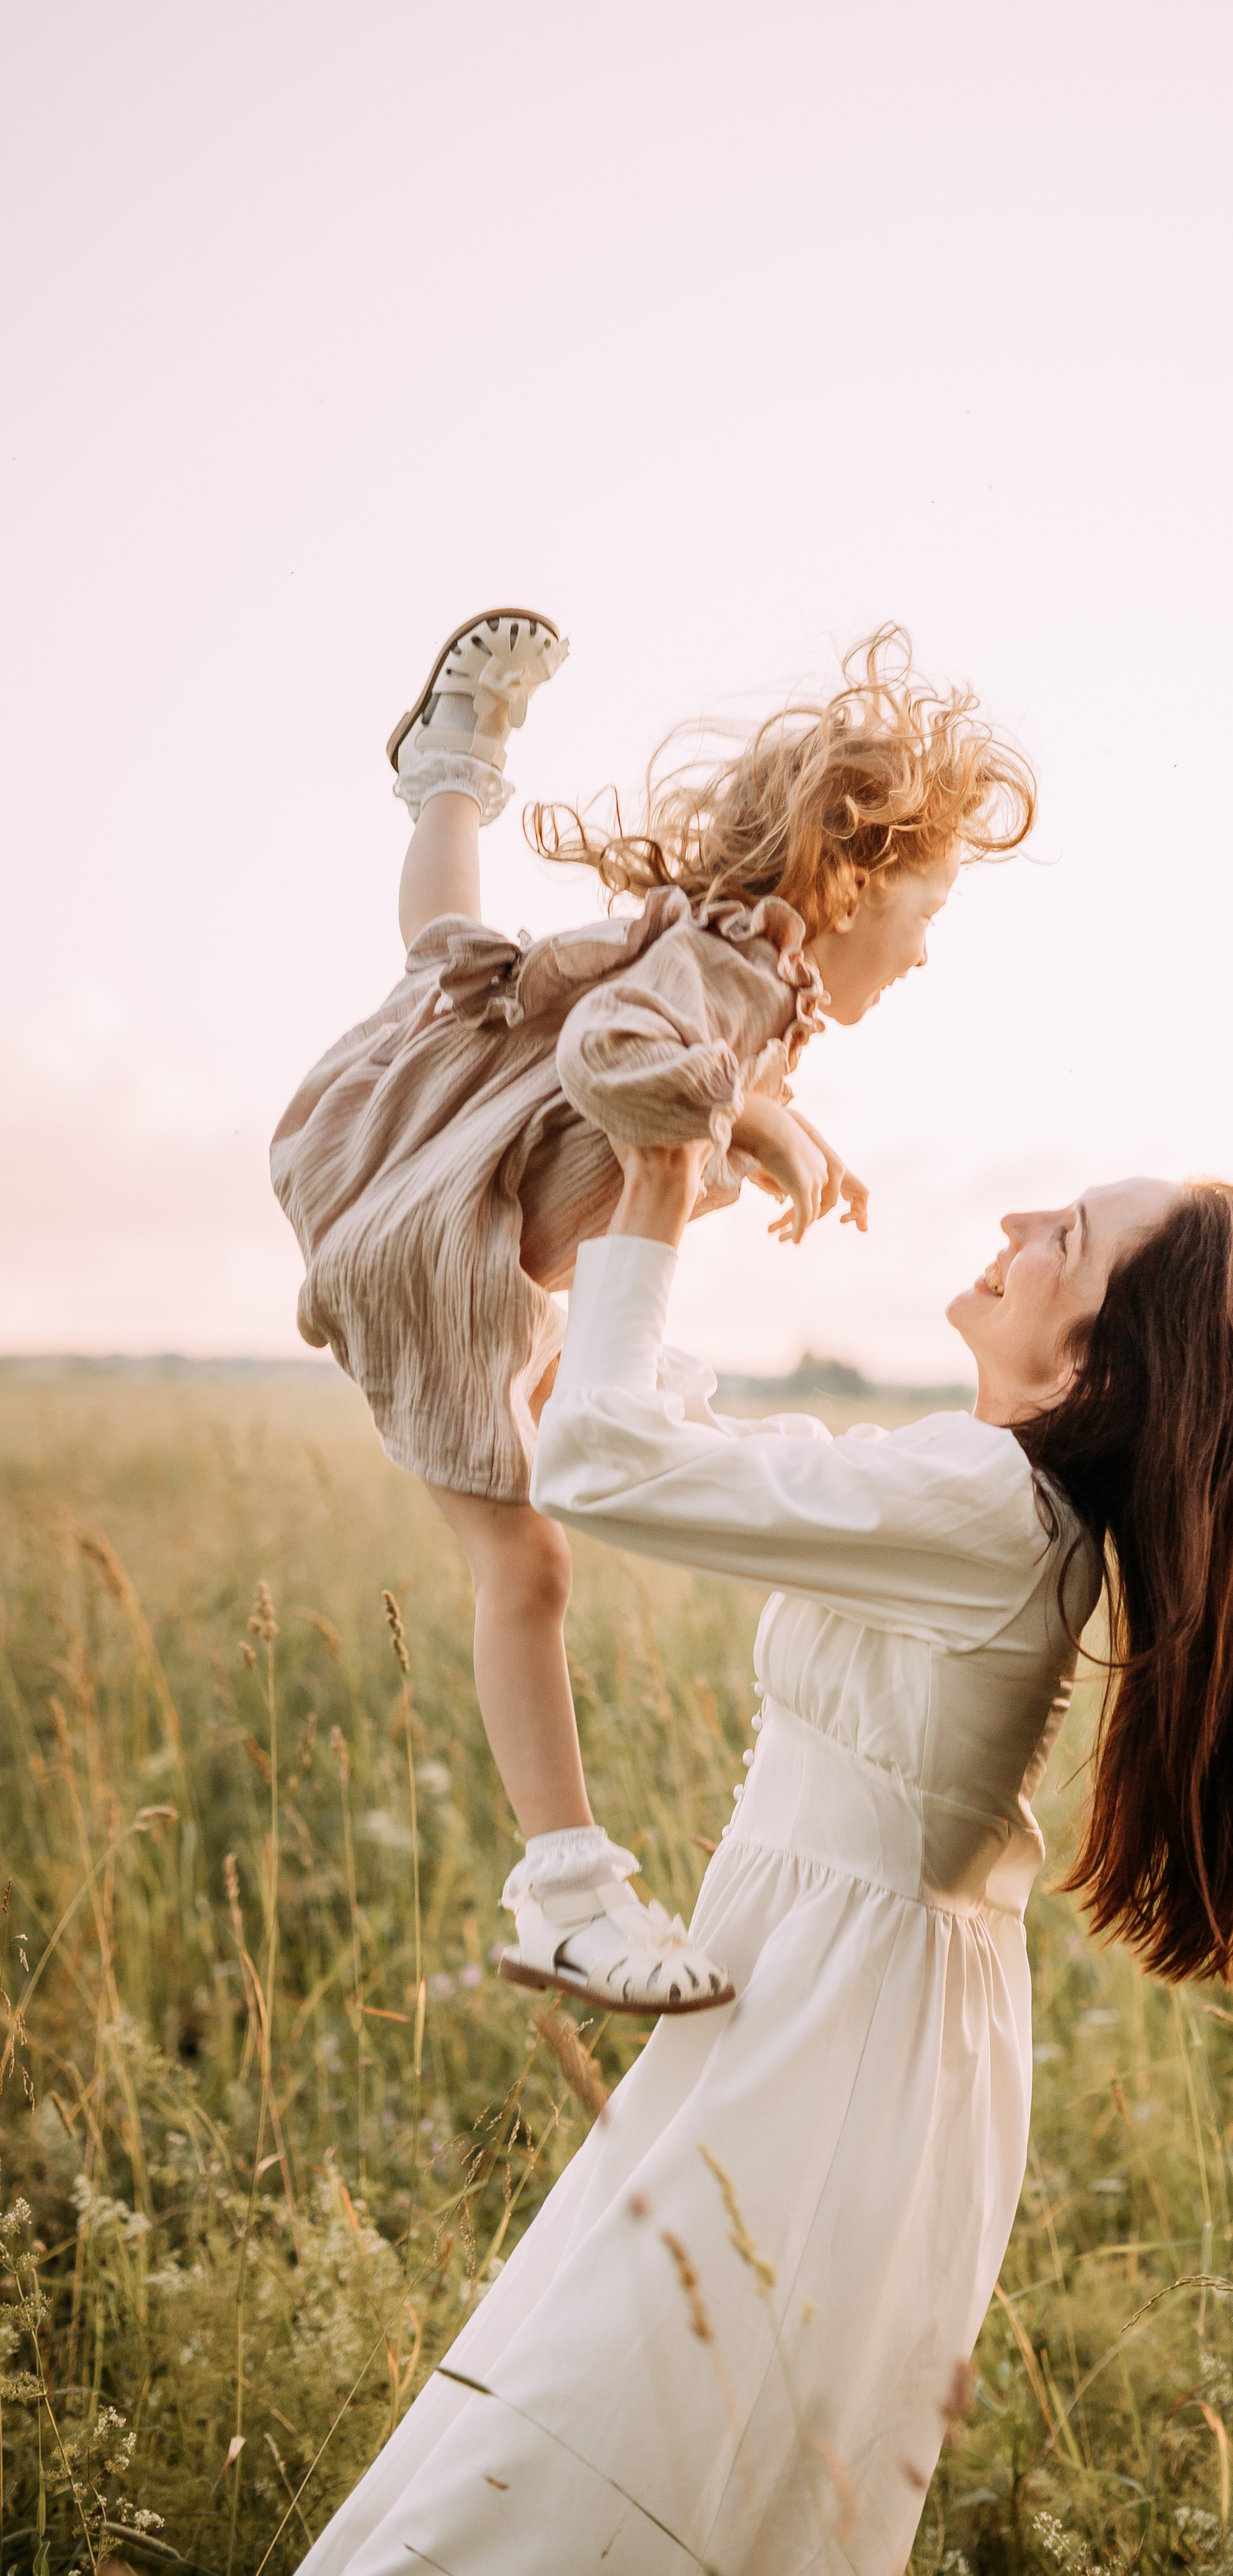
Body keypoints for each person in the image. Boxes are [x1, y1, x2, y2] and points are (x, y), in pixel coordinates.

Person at [266, 1143, 1233, 2576]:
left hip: (830, 2038)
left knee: (616, 2424)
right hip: (862, 2021)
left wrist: (648, 1191)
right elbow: (685, 1442)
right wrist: (604, 1242)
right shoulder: (993, 1502)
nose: (1016, 1223)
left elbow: (606, 1463)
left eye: (1068, 1239)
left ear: (1102, 1358)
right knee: (686, 2460)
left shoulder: (984, 1502)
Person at [269, 611, 1035, 2013]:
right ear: (853, 885)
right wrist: (759, 1124)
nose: (925, 953)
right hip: (448, 1256)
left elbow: (621, 1049)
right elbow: (615, 1050)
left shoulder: (749, 969)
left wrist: (770, 1118)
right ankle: (566, 1892)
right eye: (928, 909)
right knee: (531, 1571)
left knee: (447, 949)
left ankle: (447, 768)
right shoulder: (740, 966)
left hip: (453, 1167)